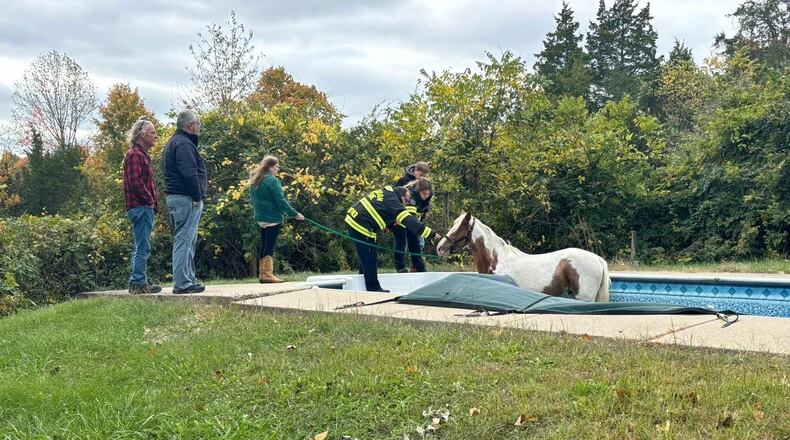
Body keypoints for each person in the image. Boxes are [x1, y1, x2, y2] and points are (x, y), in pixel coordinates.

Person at [345, 185, 441, 292]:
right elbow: (408, 220)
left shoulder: (388, 194)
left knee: (367, 255)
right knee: (370, 257)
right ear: (401, 196)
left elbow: (380, 209)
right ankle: (374, 288)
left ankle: (361, 282)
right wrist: (429, 233)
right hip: (360, 224)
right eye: (406, 201)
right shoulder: (394, 201)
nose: (405, 204)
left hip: (356, 219)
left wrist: (390, 225)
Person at [162, 110, 207, 294]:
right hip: (185, 198)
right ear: (191, 126)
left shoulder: (177, 142)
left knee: (188, 239)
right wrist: (197, 196)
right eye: (198, 124)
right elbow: (189, 172)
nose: (199, 127)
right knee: (184, 239)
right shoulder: (183, 144)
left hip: (180, 198)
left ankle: (188, 279)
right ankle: (182, 283)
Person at [249, 155, 304, 283]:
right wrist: (295, 214)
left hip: (261, 218)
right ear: (270, 167)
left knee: (264, 245)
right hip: (272, 217)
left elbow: (252, 200)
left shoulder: (255, 180)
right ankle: (267, 274)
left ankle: (263, 274)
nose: (278, 169)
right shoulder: (272, 181)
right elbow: (281, 202)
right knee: (269, 246)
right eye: (277, 167)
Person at [122, 118, 162, 294]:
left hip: (142, 206)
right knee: (143, 246)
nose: (156, 136)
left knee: (140, 244)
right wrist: (149, 201)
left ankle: (137, 281)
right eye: (152, 132)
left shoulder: (140, 154)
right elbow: (135, 181)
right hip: (141, 207)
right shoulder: (135, 155)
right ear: (141, 134)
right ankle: (138, 282)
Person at [392, 177, 433, 273]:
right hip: (399, 221)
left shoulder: (425, 199)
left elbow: (420, 215)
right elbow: (411, 219)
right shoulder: (411, 197)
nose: (426, 196)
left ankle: (418, 266)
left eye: (428, 193)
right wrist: (424, 230)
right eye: (424, 193)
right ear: (418, 191)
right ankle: (400, 268)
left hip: (412, 221)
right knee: (400, 242)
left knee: (415, 243)